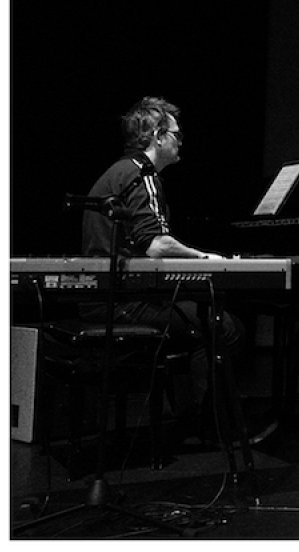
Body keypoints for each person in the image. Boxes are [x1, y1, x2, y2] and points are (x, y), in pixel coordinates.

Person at [80, 96, 245, 437]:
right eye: (176, 135)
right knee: (225, 328)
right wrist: (204, 258)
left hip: (104, 298)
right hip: (121, 302)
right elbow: (155, 244)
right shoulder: (141, 173)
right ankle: (209, 426)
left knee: (200, 318)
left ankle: (187, 414)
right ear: (158, 136)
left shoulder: (120, 171)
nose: (180, 141)